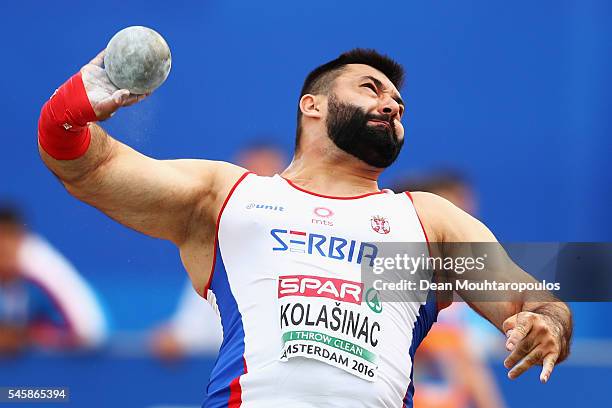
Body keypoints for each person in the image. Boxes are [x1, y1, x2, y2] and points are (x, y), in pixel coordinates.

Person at [37, 48, 572, 407]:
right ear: (310, 105)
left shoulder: (425, 221)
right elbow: (87, 167)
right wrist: (82, 98)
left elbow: (533, 298)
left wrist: (548, 322)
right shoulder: (229, 198)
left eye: (399, 104)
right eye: (371, 88)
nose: (392, 104)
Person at [151, 142, 287, 360]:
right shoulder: (221, 251)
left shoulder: (301, 246)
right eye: (253, 179)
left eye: (268, 178)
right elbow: (189, 330)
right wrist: (176, 337)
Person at [394, 171, 505, 408]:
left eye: (467, 216)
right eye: (452, 215)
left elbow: (469, 363)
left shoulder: (463, 297)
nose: (461, 228)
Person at [0, 205, 107, 354]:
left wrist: (29, 336)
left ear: (21, 240)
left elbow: (92, 331)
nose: (3, 250)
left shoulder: (40, 266)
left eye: (7, 241)